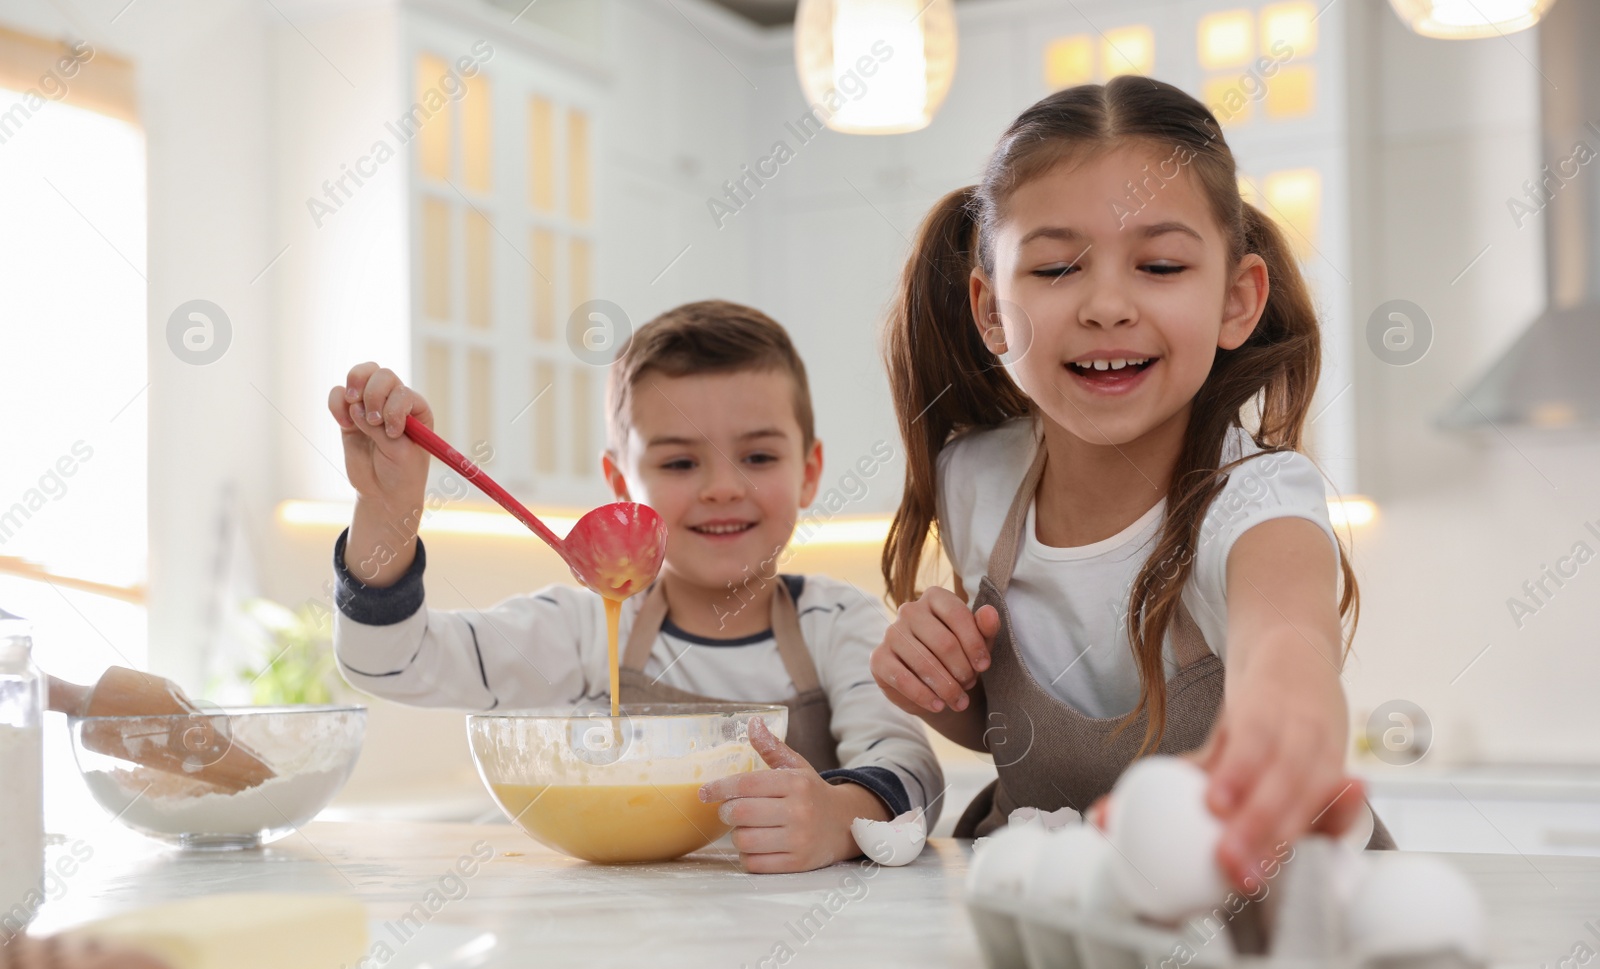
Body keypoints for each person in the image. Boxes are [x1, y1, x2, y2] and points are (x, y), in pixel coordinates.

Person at [869, 76, 1392, 889]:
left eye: (1159, 263)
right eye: (1054, 269)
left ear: (1236, 298)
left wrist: (1284, 736)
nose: (1107, 305)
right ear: (992, 311)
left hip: (1246, 901)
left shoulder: (1258, 500)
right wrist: (942, 691)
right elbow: (1021, 737)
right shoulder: (974, 477)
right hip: (1057, 905)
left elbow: (1289, 648)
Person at [328, 300, 942, 872]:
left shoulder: (839, 623)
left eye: (757, 458)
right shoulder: (581, 628)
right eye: (678, 462)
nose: (722, 488)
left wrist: (838, 817)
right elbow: (390, 664)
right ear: (620, 481)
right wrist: (388, 514)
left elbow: (911, 772)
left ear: (808, 473)